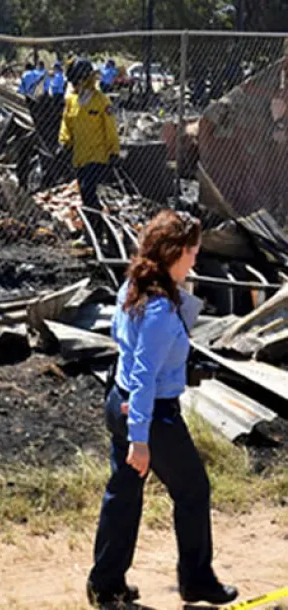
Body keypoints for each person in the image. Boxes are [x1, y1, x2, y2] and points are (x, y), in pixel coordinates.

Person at [86, 209, 239, 609]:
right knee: (192, 489)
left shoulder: (133, 287)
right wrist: (140, 438)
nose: (195, 261)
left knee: (124, 493)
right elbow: (144, 375)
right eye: (192, 253)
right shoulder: (157, 309)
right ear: (175, 253)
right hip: (150, 414)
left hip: (119, 402)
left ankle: (106, 585)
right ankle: (197, 581)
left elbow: (132, 356)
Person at [57, 57, 120, 246]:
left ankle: (93, 234)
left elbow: (110, 128)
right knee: (86, 195)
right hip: (80, 156)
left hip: (98, 155)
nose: (76, 85)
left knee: (88, 192)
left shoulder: (101, 101)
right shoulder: (72, 101)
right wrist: (64, 142)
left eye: (78, 80)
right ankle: (96, 233)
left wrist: (114, 151)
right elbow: (66, 125)